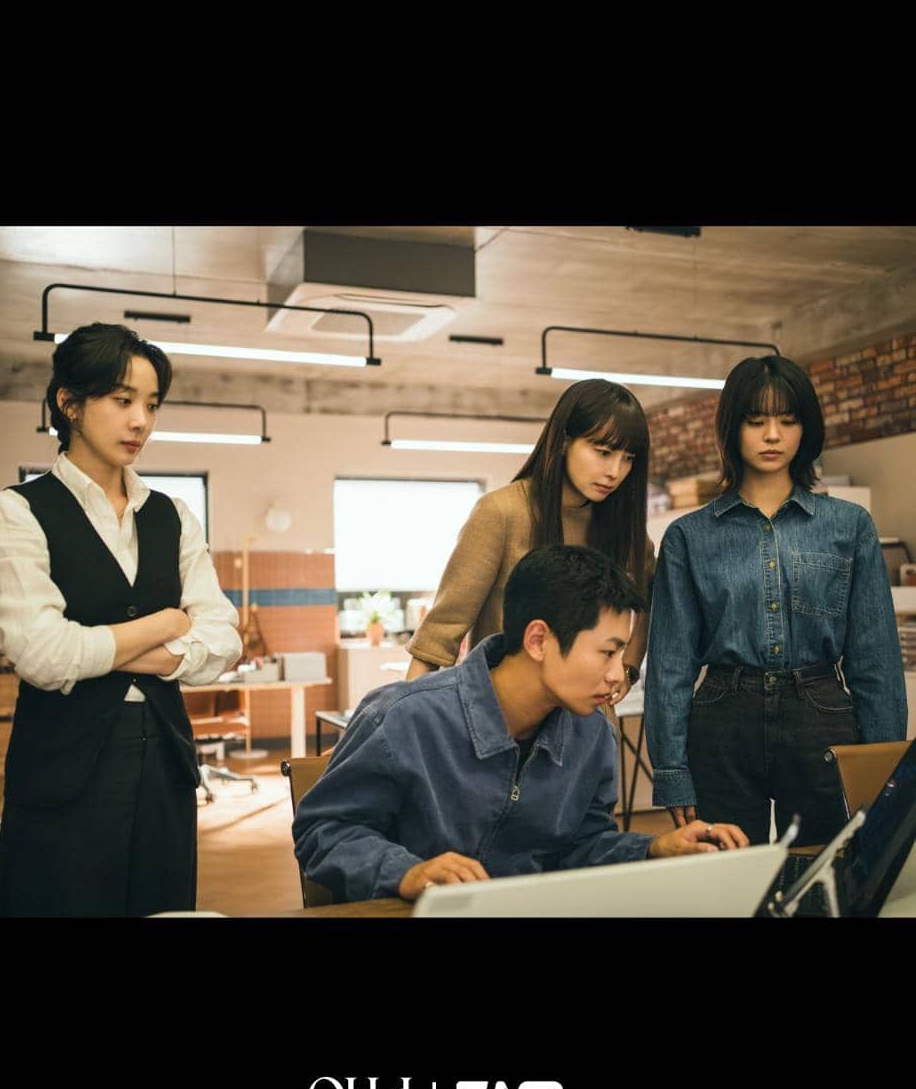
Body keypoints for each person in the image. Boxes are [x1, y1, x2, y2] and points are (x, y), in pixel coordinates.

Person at [0, 322, 243, 916]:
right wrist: (167, 623)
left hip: (166, 765)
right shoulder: (16, 512)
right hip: (62, 773)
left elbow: (223, 640)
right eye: (122, 400)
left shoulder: (172, 515)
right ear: (69, 403)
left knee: (163, 909)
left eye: (152, 404)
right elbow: (44, 656)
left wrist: (99, 649)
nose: (141, 421)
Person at [293, 545, 747, 904]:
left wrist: (653, 849)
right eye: (607, 652)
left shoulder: (592, 734)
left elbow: (580, 848)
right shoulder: (403, 717)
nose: (617, 675)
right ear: (538, 639)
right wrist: (407, 873)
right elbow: (323, 832)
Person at [644, 354, 908, 846]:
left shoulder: (849, 526)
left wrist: (885, 768)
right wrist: (672, 770)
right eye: (755, 420)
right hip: (723, 720)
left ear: (806, 428)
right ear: (732, 428)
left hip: (820, 716)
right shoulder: (689, 536)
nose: (772, 435)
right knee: (729, 873)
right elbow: (670, 665)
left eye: (788, 420)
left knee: (825, 869)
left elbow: (875, 657)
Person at [405, 379, 655, 714]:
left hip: (586, 722)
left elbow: (647, 600)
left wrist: (629, 665)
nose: (615, 471)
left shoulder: (625, 531)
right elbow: (440, 634)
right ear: (564, 441)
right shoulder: (503, 512)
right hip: (504, 716)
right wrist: (405, 717)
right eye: (603, 452)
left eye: (628, 458)